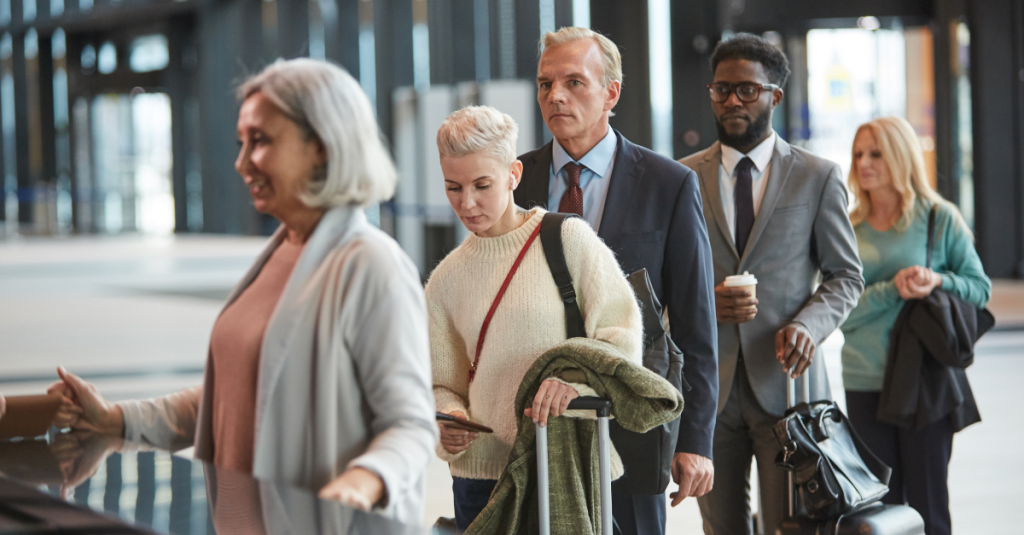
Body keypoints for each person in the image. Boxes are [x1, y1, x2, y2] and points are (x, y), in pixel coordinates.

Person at [47, 58, 437, 524]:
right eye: (241, 142)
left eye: (261, 141)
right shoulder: (279, 250)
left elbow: (409, 425)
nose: (241, 162)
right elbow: (232, 396)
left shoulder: (371, 265)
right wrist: (116, 420)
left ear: (321, 145)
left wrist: (362, 481)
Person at [514, 27, 719, 535]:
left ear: (612, 92)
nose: (554, 96)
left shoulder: (669, 184)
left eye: (573, 82)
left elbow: (695, 324)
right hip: (535, 424)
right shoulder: (515, 180)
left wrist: (695, 438)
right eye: (544, 83)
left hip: (632, 423)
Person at [678, 34, 864, 535]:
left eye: (746, 90)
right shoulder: (680, 179)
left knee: (793, 527)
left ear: (774, 96)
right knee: (722, 529)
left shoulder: (817, 176)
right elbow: (661, 285)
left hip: (789, 390)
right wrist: (702, 304)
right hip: (709, 393)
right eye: (721, 90)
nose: (731, 101)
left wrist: (808, 324)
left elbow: (846, 276)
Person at [428, 105, 643, 532]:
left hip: (565, 464)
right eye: (453, 187)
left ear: (514, 174)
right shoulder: (445, 280)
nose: (466, 203)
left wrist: (577, 384)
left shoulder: (567, 240)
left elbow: (624, 341)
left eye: (481, 185)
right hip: (480, 480)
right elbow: (440, 382)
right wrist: (446, 418)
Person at [840, 117, 990, 535]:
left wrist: (937, 280)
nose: (864, 163)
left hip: (925, 382)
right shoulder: (847, 226)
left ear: (901, 157)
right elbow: (840, 310)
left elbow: (980, 290)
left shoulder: (940, 219)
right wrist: (893, 290)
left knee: (928, 507)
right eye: (858, 154)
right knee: (877, 510)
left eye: (876, 153)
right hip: (865, 380)